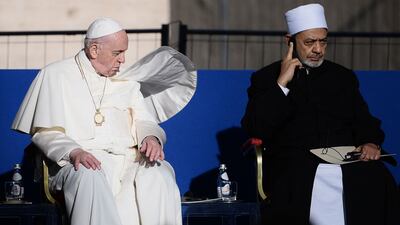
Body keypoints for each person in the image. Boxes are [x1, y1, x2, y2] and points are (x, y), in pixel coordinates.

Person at [12, 18, 196, 225]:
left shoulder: (127, 82)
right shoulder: (56, 75)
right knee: (89, 175)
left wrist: (151, 138)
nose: (123, 60)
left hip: (128, 160)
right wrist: (75, 152)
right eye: (117, 53)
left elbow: (145, 121)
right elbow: (45, 132)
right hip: (78, 160)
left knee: (159, 172)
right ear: (94, 50)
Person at [241, 4, 399, 225]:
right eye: (309, 42)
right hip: (296, 163)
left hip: (347, 161)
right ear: (290, 41)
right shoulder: (267, 78)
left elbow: (363, 120)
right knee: (301, 178)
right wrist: (282, 84)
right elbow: (256, 127)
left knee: (375, 176)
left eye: (322, 41)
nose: (318, 49)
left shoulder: (342, 77)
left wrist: (370, 142)